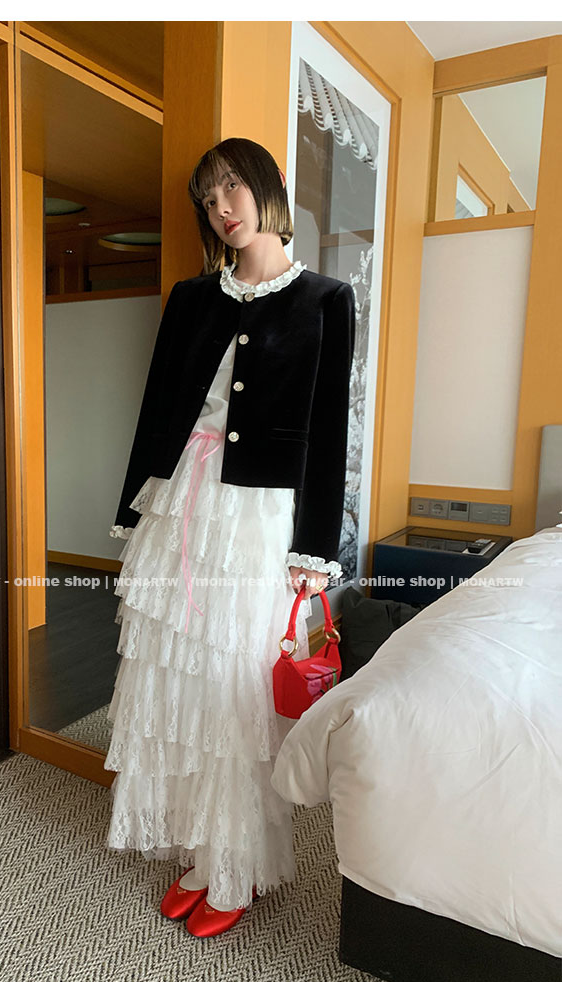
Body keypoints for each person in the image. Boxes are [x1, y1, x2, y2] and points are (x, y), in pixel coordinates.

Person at [105, 137, 355, 937]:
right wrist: (132, 509)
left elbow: (328, 434)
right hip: (182, 502)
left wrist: (315, 551)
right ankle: (201, 849)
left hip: (257, 520)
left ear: (267, 187)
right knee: (175, 682)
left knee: (231, 689)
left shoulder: (326, 299)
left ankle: (235, 865)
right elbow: (156, 409)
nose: (222, 208)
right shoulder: (190, 298)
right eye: (208, 199)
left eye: (232, 189)